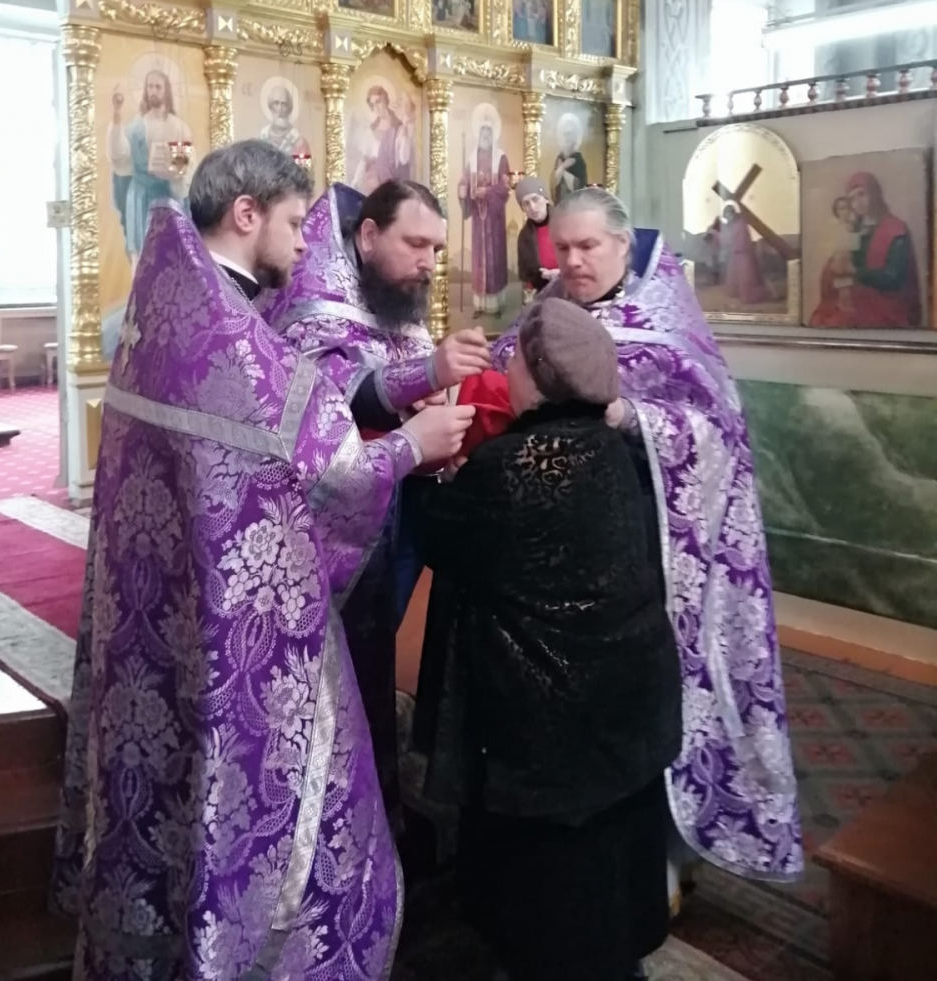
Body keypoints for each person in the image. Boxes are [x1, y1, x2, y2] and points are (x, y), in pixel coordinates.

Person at [51, 142, 474, 980]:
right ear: (246, 213)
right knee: (263, 794)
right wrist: (411, 446)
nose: (306, 240)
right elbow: (332, 475)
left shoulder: (170, 314)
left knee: (168, 778)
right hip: (238, 620)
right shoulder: (233, 340)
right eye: (292, 221)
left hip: (163, 604)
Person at [487, 188, 803, 888]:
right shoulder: (545, 312)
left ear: (622, 245)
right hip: (561, 560)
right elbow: (500, 376)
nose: (572, 261)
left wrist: (637, 419)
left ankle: (659, 854)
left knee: (648, 696)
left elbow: (719, 432)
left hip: (651, 546)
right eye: (562, 247)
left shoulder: (666, 318)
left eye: (587, 247)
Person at [417, 298, 682, 981]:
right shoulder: (614, 450)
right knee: (611, 880)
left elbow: (438, 535)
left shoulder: (511, 466)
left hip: (548, 731)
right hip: (628, 703)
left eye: (513, 358)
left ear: (536, 376)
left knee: (557, 915)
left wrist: (425, 465)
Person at [262, 178, 492, 823]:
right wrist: (428, 375)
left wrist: (430, 396)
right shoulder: (314, 291)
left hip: (400, 498)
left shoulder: (392, 293)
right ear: (368, 236)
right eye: (415, 243)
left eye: (436, 249)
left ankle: (372, 800)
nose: (428, 262)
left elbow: (397, 369)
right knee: (334, 661)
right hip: (330, 517)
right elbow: (325, 397)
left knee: (373, 651)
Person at [810, 171, 921, 328]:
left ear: (874, 194)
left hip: (888, 306)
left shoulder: (896, 229)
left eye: (862, 194)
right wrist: (833, 269)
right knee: (821, 319)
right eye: (852, 199)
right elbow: (848, 259)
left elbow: (893, 278)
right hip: (859, 299)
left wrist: (854, 272)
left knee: (839, 322)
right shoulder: (856, 229)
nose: (858, 203)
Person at [106, 71, 192, 270]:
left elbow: (183, 168)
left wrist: (172, 172)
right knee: (142, 255)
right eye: (150, 86)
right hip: (140, 197)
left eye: (158, 87)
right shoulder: (136, 127)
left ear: (166, 91)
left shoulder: (179, 128)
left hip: (168, 196)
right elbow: (120, 156)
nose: (153, 91)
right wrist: (117, 114)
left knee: (170, 256)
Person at [459, 111, 512, 316]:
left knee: (494, 257)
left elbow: (505, 186)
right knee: (479, 258)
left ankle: (495, 304)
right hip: (478, 218)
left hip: (494, 218)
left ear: (494, 134)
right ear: (478, 134)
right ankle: (480, 305)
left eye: (489, 132)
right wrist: (463, 190)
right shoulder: (472, 157)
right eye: (483, 132)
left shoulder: (501, 157)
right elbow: (465, 180)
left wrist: (488, 191)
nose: (486, 136)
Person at [352, 84, 414, 193]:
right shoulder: (371, 131)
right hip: (375, 185)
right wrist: (354, 182)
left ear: (386, 101)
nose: (376, 107)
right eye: (372, 104)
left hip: (393, 183)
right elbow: (364, 160)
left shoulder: (398, 128)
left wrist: (405, 131)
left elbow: (404, 158)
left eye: (378, 102)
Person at [716, 202, 769, 305]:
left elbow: (737, 240)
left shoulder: (741, 223)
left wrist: (724, 239)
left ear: (732, 213)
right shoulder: (733, 224)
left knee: (747, 294)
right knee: (733, 286)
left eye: (728, 216)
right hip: (736, 255)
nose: (728, 219)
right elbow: (728, 239)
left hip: (744, 254)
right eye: (726, 217)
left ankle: (767, 292)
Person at [514, 176, 558, 294]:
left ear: (546, 199)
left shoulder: (567, 223)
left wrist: (559, 274)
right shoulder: (524, 237)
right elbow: (526, 276)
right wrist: (536, 280)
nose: (532, 207)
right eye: (526, 204)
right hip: (545, 292)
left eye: (535, 199)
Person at [259, 80, 311, 158]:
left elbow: (305, 165)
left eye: (284, 104)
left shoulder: (299, 142)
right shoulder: (262, 137)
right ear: (270, 106)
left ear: (289, 108)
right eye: (276, 103)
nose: (280, 109)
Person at [551, 116, 588, 203]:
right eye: (565, 134)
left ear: (575, 136)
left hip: (574, 202)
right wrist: (562, 168)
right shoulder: (560, 157)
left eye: (570, 134)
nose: (567, 138)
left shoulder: (578, 159)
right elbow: (553, 183)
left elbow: (579, 185)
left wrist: (563, 171)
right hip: (561, 201)